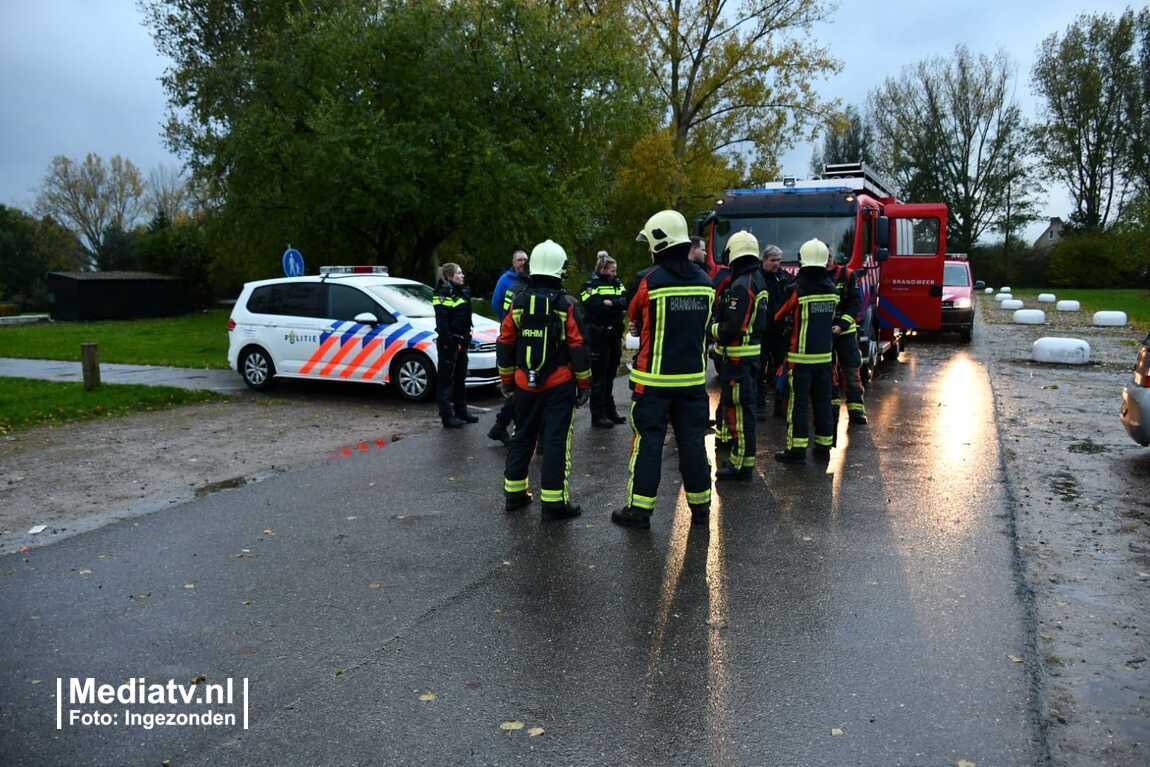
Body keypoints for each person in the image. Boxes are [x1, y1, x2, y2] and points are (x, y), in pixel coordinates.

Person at [612, 210, 714, 530]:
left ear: (658, 242)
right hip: (693, 382)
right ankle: (701, 508)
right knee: (693, 444)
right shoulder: (706, 282)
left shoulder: (649, 281)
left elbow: (633, 314)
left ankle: (639, 511)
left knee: (648, 443)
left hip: (653, 383)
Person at [498, 240, 591, 520]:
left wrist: (507, 380)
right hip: (559, 384)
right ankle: (553, 503)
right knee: (554, 441)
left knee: (522, 435)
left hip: (524, 383)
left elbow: (505, 341)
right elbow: (578, 346)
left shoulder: (518, 301)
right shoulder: (567, 304)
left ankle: (514, 495)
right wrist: (584, 385)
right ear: (560, 269)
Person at [773, 239, 841, 464]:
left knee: (798, 405)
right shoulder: (832, 289)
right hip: (824, 357)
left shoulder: (797, 289)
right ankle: (823, 446)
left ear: (802, 258)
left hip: (799, 359)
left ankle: (797, 449)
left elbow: (778, 316)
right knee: (822, 402)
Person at [711, 231, 767, 481]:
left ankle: (741, 464)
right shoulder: (757, 279)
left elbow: (730, 328)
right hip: (748, 356)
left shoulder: (742, 285)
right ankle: (741, 459)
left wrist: (710, 329)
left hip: (737, 359)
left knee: (741, 412)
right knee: (743, 408)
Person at [580, 252, 628, 429]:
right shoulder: (590, 285)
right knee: (599, 377)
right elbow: (592, 304)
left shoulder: (617, 284)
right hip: (598, 336)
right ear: (603, 269)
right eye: (613, 270)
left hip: (614, 335)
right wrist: (610, 306)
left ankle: (610, 411)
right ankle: (598, 415)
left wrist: (612, 304)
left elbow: (626, 301)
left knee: (610, 376)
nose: (616, 273)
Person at [488, 249, 530, 445]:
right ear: (513, 262)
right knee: (518, 387)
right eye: (519, 260)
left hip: (520, 339)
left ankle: (501, 426)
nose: (522, 262)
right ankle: (509, 428)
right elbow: (499, 306)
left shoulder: (524, 284)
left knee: (519, 388)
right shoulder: (509, 282)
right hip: (514, 339)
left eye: (525, 260)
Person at [433, 263, 477, 429]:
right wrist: (451, 341)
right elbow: (443, 321)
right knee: (446, 381)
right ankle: (447, 416)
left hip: (461, 341)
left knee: (460, 378)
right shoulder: (443, 294)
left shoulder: (461, 292)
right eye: (459, 273)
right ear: (450, 276)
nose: (462, 275)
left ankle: (461, 411)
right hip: (449, 343)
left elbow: (464, 318)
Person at [829, 250, 868, 426]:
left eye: (829, 257)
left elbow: (855, 303)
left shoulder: (847, 275)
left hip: (845, 333)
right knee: (829, 373)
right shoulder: (816, 276)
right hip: (826, 334)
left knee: (851, 370)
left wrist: (842, 325)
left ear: (833, 258)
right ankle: (832, 409)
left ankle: (856, 410)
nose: (826, 261)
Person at [756, 244, 794, 420]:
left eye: (779, 260)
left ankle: (781, 405)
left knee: (781, 370)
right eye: (773, 260)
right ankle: (759, 407)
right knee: (758, 370)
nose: (777, 264)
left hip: (779, 332)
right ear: (764, 260)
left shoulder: (785, 278)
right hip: (762, 332)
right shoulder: (756, 278)